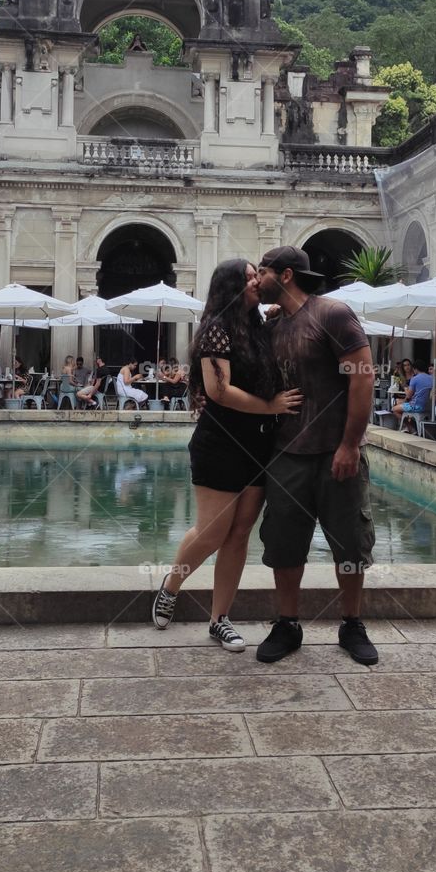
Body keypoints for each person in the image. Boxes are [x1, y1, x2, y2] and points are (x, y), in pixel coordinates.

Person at [152, 258, 301, 651]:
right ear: (231, 286)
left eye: (258, 275)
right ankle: (173, 583)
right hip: (220, 442)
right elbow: (219, 392)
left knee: (238, 536)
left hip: (259, 444)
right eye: (250, 276)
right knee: (212, 531)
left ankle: (220, 620)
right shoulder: (216, 329)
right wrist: (271, 407)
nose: (257, 281)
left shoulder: (260, 328)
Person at [254, 246, 378, 666]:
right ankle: (287, 623)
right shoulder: (273, 324)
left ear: (285, 275)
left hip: (334, 451)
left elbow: (363, 379)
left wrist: (350, 444)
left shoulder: (332, 313)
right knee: (284, 544)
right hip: (287, 452)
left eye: (264, 271)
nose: (257, 278)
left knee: (349, 544)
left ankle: (352, 623)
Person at [391, 359, 433, 425]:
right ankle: (410, 426)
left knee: (394, 409)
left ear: (415, 369)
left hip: (416, 406)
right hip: (428, 406)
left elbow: (408, 395)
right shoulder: (431, 378)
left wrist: (405, 387)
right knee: (401, 403)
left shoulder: (414, 379)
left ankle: (411, 426)